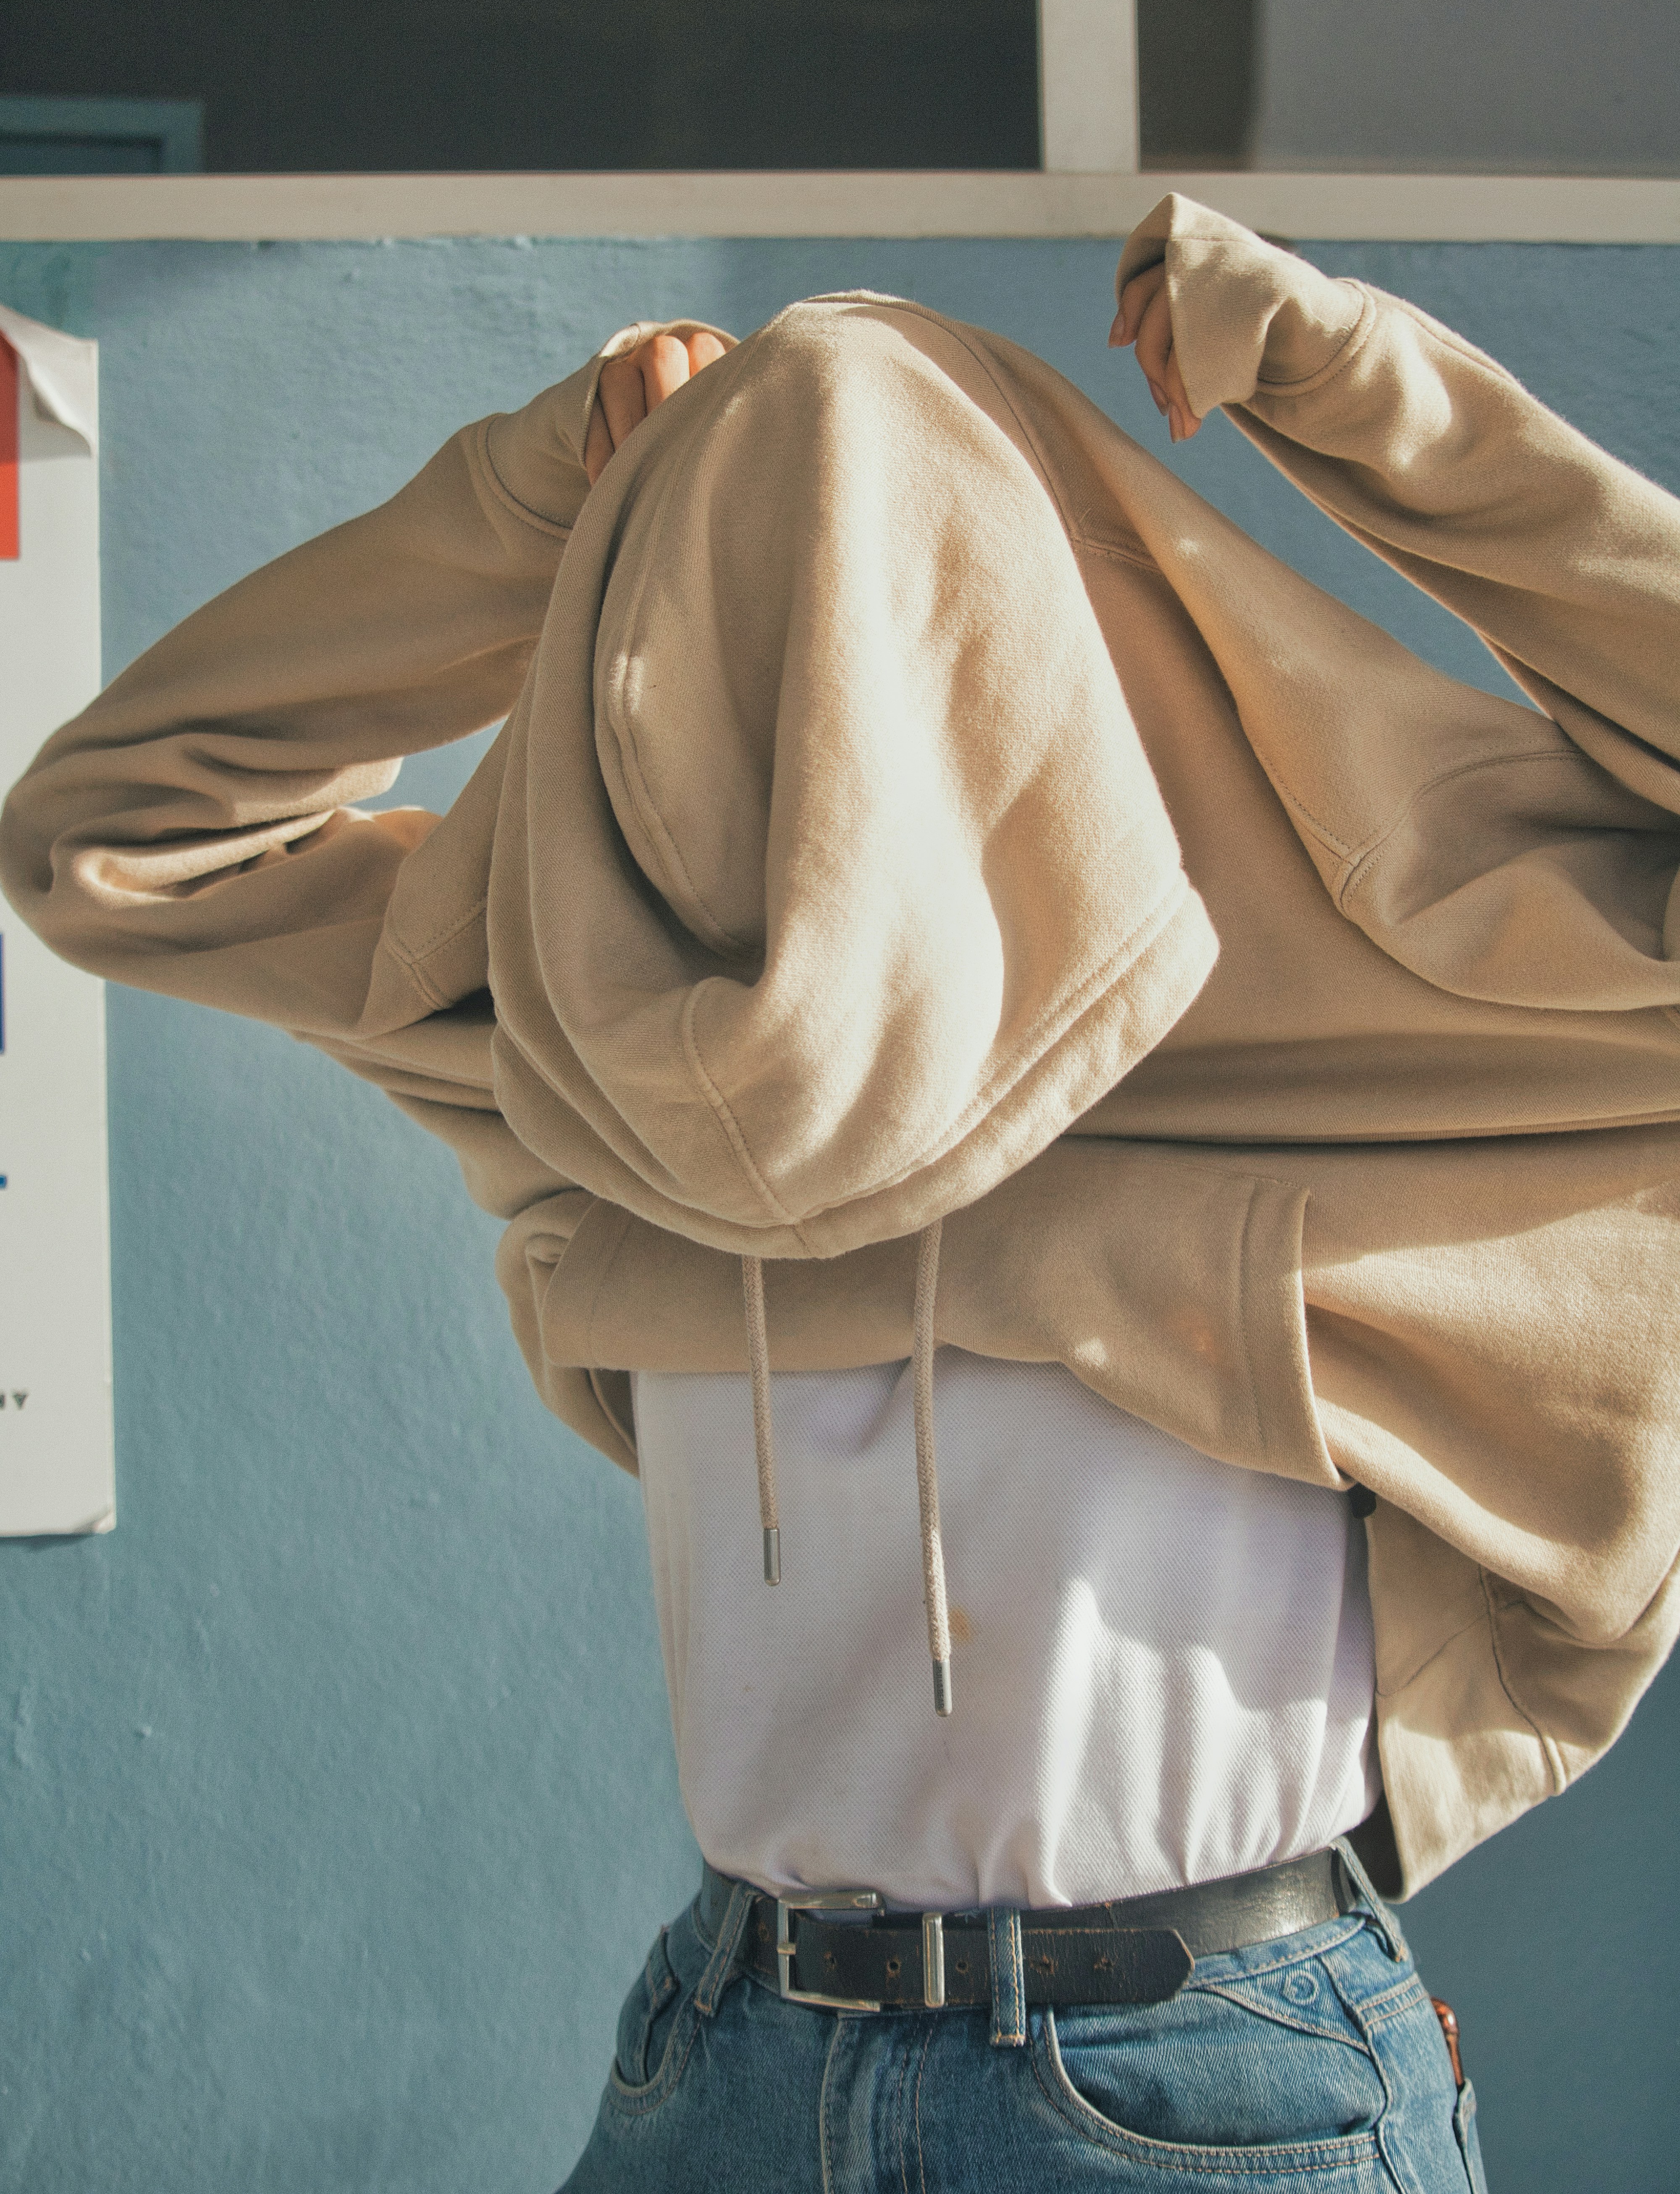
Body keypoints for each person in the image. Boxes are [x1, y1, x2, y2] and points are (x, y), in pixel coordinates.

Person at [6, 198, 1679, 2193]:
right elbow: (105, 837)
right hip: (731, 2046)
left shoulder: (1357, 1022)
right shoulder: (584, 1024)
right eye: (743, 613)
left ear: (1019, 635)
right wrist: (546, 489)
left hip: (1207, 2066)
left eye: (880, 607)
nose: (814, 697)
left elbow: (116, 833)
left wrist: (1343, 379)